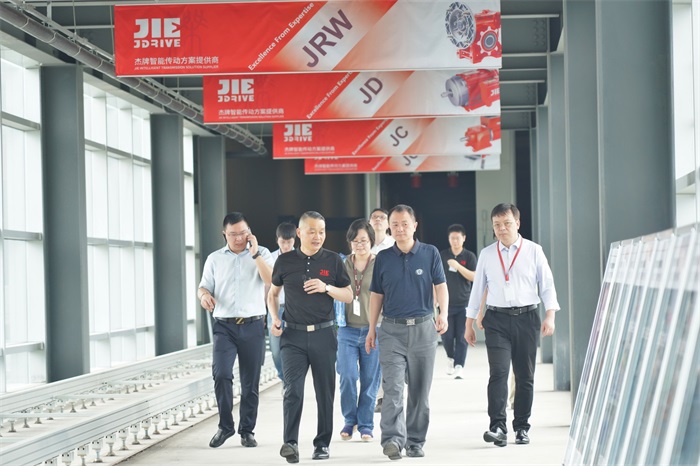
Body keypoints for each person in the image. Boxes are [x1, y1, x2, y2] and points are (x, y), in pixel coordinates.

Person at [464, 203, 558, 447]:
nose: (502, 228)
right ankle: (497, 426)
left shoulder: (534, 251)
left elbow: (547, 284)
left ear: (517, 223)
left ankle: (522, 427)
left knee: (525, 375)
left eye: (506, 223)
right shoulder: (487, 254)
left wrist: (550, 315)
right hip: (496, 320)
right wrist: (469, 323)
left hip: (527, 318)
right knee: (498, 372)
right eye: (497, 225)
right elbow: (477, 290)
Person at [268, 211, 353, 463]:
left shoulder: (333, 260)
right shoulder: (284, 262)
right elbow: (273, 293)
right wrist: (274, 317)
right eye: (312, 231)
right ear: (299, 233)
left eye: (322, 231)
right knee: (292, 390)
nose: (318, 236)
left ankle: (322, 444)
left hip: (324, 334)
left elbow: (348, 295)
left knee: (324, 393)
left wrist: (326, 287)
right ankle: (290, 443)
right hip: (292, 336)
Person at [365, 204, 449, 460]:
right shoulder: (383, 258)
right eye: (395, 224)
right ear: (389, 227)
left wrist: (443, 314)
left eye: (405, 224)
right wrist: (372, 329)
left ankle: (415, 441)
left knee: (419, 392)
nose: (400, 229)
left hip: (423, 329)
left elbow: (441, 286)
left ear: (415, 226)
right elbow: (376, 295)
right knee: (392, 389)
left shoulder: (430, 253)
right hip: (391, 330)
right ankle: (392, 439)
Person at [198, 212, 273, 449]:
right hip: (224, 326)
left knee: (250, 382)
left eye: (243, 233)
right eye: (233, 234)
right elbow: (203, 287)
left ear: (249, 232)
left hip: (253, 325)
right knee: (221, 374)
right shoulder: (214, 259)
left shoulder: (263, 254)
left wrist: (255, 253)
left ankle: (247, 430)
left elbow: (271, 280)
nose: (239, 238)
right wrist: (204, 296)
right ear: (224, 234)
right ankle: (225, 426)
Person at [337, 219, 380, 442]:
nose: (359, 244)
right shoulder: (342, 264)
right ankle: (349, 419)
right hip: (347, 330)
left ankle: (365, 425)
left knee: (369, 379)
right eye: (355, 241)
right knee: (347, 376)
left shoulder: (380, 263)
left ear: (371, 241)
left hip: (374, 329)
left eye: (363, 240)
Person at [439, 224, 477, 380]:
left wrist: (458, 266)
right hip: (446, 304)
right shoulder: (442, 255)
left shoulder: (469, 256)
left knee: (462, 336)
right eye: (452, 238)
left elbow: (474, 277)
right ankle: (451, 357)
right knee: (447, 336)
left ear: (464, 238)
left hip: (464, 303)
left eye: (457, 238)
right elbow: (435, 279)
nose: (455, 241)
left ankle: (459, 366)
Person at [265, 222, 296, 393]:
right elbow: (266, 286)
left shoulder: (300, 258)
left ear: (294, 240)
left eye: (289, 242)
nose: (286, 246)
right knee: (276, 351)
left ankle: (291, 384)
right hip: (275, 309)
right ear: (277, 240)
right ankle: (285, 380)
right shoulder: (270, 258)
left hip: (295, 310)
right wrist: (265, 312)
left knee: (294, 350)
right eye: (283, 242)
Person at [368, 207, 394, 413]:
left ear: (388, 224)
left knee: (388, 353)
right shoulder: (362, 244)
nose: (378, 220)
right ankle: (377, 396)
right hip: (367, 306)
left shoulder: (394, 244)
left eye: (382, 217)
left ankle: (386, 395)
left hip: (391, 307)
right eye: (374, 217)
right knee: (373, 354)